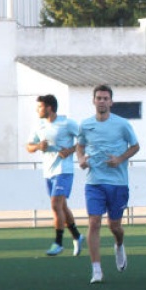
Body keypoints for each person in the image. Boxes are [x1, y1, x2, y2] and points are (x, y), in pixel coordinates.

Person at [75, 85, 141, 284]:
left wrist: (120, 159)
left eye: (105, 98)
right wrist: (81, 159)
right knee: (94, 223)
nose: (102, 101)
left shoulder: (122, 124)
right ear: (93, 101)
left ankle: (119, 244)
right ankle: (96, 269)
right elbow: (80, 145)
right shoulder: (85, 125)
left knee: (115, 226)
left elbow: (136, 146)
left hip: (118, 183)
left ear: (111, 102)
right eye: (99, 98)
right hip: (94, 182)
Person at [25, 95, 84, 257]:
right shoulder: (39, 125)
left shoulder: (66, 123)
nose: (37, 110)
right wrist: (38, 146)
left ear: (49, 107)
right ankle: (77, 236)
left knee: (55, 203)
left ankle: (58, 243)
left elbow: (84, 139)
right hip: (48, 172)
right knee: (62, 207)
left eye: (40, 107)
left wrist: (70, 151)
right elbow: (28, 146)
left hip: (64, 171)